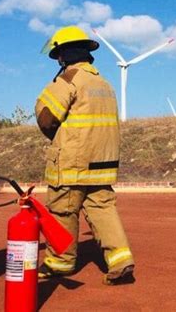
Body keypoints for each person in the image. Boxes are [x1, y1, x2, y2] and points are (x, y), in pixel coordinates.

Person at [35, 25, 135, 285]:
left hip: (72, 163)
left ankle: (60, 262)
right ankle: (121, 261)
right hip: (102, 164)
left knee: (63, 210)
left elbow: (47, 119)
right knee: (103, 210)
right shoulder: (105, 84)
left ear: (62, 55)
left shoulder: (68, 80)